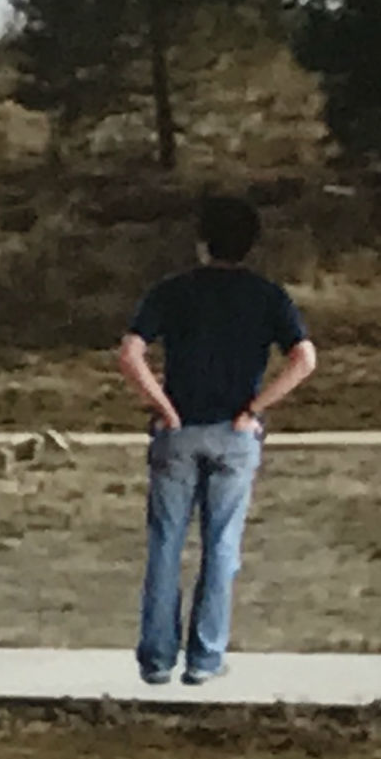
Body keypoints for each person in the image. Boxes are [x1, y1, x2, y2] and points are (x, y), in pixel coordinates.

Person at [117, 192, 318, 686]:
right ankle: (205, 657)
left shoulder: (172, 291)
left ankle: (157, 657)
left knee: (165, 545)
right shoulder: (268, 295)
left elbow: (129, 353)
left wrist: (163, 407)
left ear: (202, 240)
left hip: (178, 431)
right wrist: (255, 408)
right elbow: (305, 358)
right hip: (234, 431)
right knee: (221, 545)